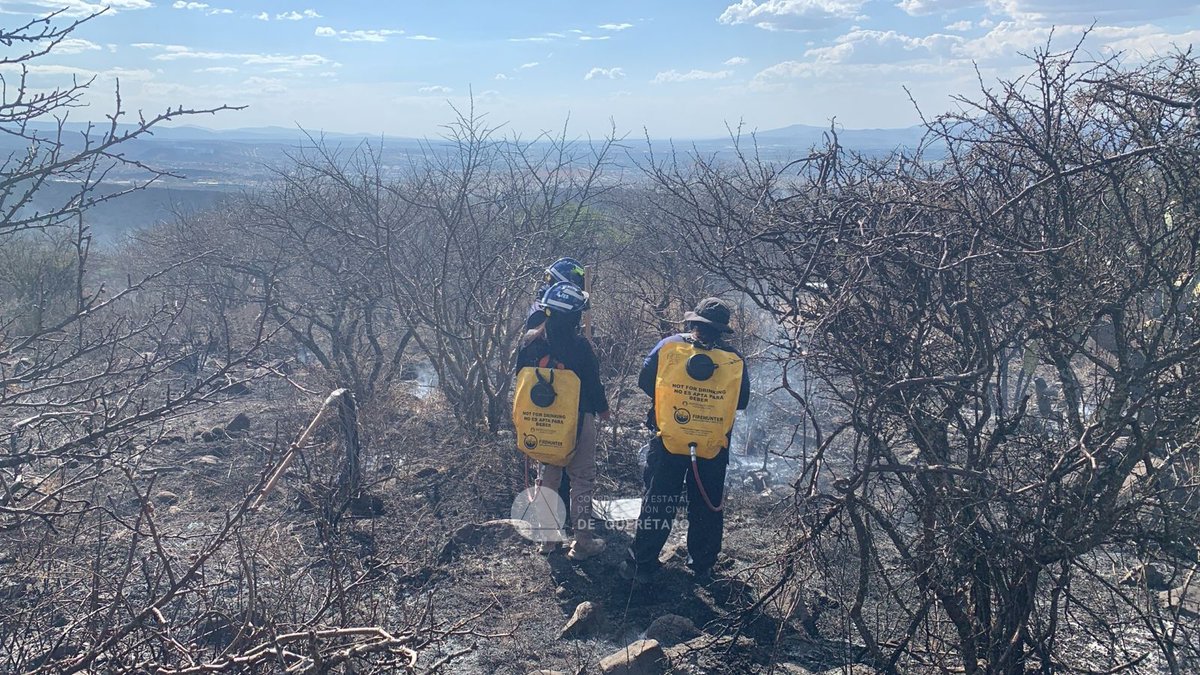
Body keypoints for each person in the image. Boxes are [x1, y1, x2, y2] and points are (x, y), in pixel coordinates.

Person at [620, 297, 750, 583]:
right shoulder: (733, 359)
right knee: (706, 502)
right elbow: (741, 401)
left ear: (694, 323)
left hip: (668, 438)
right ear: (722, 330)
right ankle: (702, 566)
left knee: (659, 500)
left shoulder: (668, 347)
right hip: (711, 445)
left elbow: (645, 381)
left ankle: (642, 563)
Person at [515, 281, 610, 560]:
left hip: (542, 422)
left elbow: (520, 381)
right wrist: (604, 411)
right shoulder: (580, 346)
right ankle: (582, 543)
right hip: (579, 421)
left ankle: (548, 540)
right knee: (581, 479)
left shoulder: (529, 343)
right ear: (574, 316)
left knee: (548, 478)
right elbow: (593, 385)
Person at [525, 257, 587, 330]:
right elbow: (547, 333)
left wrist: (580, 331)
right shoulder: (540, 312)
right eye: (549, 278)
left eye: (550, 279)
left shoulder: (564, 309)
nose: (547, 284)